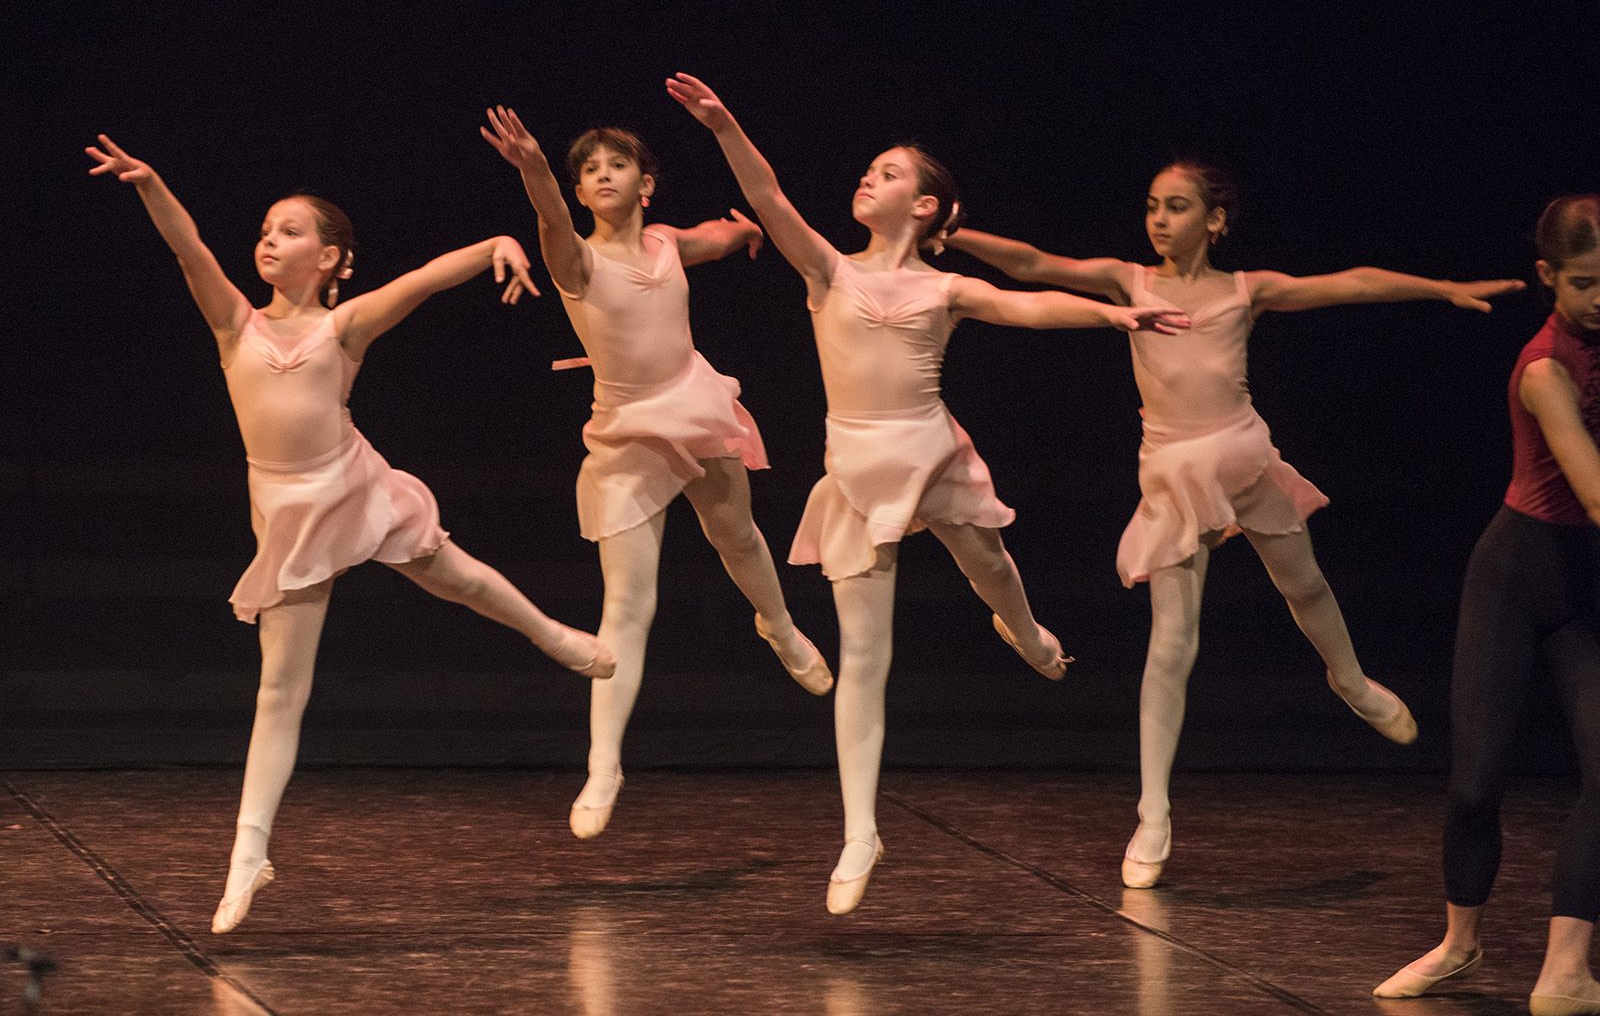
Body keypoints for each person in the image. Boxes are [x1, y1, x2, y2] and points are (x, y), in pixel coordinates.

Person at [666, 72, 1188, 914]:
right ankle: (860, 831)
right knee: (864, 659)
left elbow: (1027, 306)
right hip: (857, 467)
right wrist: (723, 124)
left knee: (991, 566)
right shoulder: (828, 269)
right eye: (870, 169)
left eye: (889, 173)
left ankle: (1026, 632)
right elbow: (767, 198)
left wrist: (1112, 316)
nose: (868, 177)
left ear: (925, 207)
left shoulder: (945, 289)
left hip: (931, 453)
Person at [86, 134, 614, 935]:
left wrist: (497, 245)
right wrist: (151, 183)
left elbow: (422, 280)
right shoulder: (234, 324)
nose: (269, 239)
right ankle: (248, 854)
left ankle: (555, 637)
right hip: (288, 510)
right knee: (280, 688)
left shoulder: (344, 328)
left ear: (331, 258)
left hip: (352, 483)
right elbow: (188, 248)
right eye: (266, 229)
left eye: (290, 230)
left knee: (455, 574)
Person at [943, 161, 1524, 889]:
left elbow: (1351, 284)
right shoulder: (1129, 282)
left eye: (1177, 207)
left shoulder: (1249, 290)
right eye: (1152, 205)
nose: (1159, 219)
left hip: (1244, 458)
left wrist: (1441, 288)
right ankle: (1153, 813)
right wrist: (955, 234)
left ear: (1215, 221)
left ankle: (1350, 681)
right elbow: (1033, 264)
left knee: (1305, 584)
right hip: (1175, 473)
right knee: (1171, 643)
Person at [480, 107, 834, 842]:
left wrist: (743, 233)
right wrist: (535, 168)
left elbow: (713, 238)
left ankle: (778, 626)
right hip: (628, 430)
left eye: (616, 164)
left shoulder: (668, 242)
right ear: (580, 190)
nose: (602, 175)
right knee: (627, 606)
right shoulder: (576, 261)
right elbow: (549, 215)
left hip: (693, 404)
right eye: (589, 169)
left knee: (737, 535)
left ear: (646, 183)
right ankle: (603, 765)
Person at [1374, 194, 1600, 1016]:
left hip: (1590, 588)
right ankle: (1459, 944)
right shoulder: (1545, 369)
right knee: (1475, 782)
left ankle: (1567, 970)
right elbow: (1594, 493)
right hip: (1517, 573)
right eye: (1584, 283)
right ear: (1548, 277)